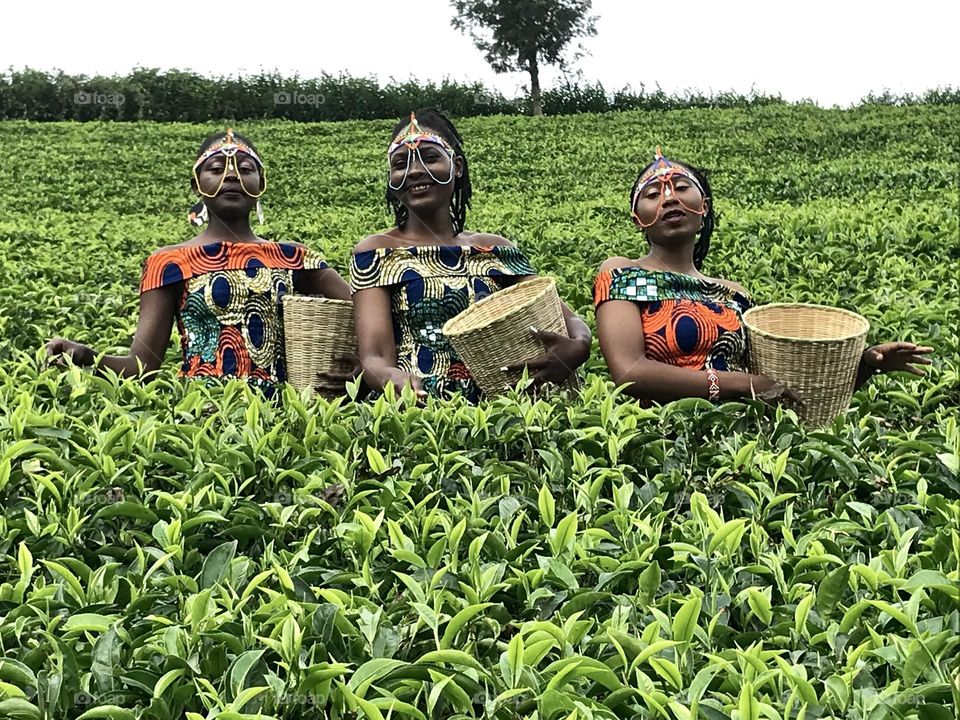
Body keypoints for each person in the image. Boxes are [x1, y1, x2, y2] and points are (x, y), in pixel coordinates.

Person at [594, 148, 933, 405]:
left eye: (681, 187)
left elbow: (784, 388)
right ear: (638, 219)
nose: (669, 198)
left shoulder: (734, 295)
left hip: (744, 449)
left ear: (704, 206)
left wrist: (864, 364)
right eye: (653, 195)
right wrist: (741, 384)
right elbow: (628, 371)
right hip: (663, 442)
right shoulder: (623, 273)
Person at [46, 129, 354, 395]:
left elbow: (368, 313)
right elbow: (141, 367)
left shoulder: (293, 257)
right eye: (216, 168)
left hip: (283, 415)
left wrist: (365, 365)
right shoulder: (169, 262)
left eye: (246, 169)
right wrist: (86, 356)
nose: (231, 175)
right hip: (202, 416)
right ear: (197, 184)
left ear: (261, 184)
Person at [351, 109, 591, 402]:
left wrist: (579, 344)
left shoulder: (495, 249)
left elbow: (566, 317)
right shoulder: (377, 251)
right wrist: (393, 379)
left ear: (457, 166)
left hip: (505, 411)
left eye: (429, 157)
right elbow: (374, 358)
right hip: (420, 415)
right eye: (401, 164)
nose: (414, 171)